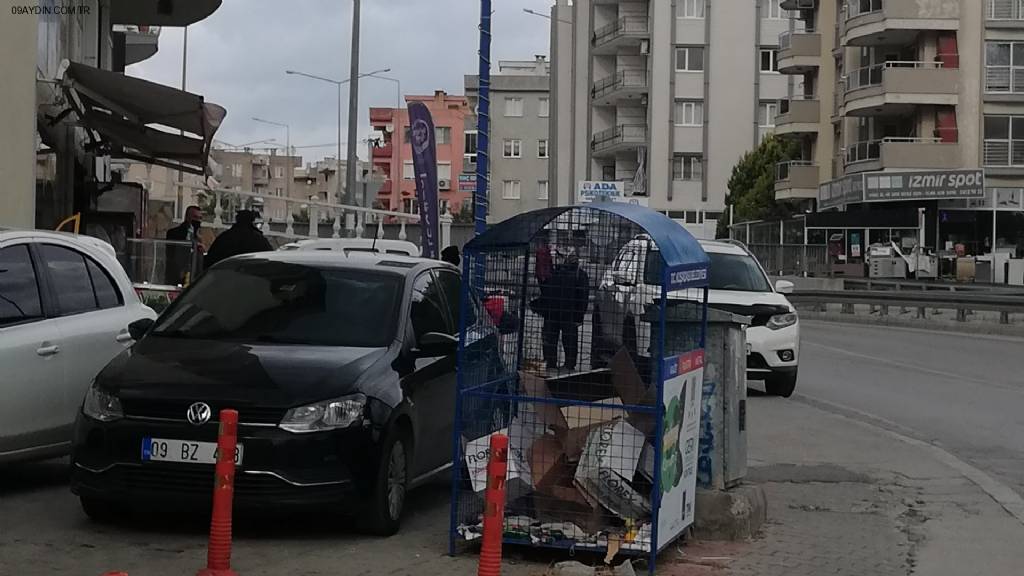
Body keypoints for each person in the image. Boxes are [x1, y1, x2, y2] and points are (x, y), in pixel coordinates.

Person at [539, 247, 590, 371]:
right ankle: (559, 364)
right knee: (561, 339)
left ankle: (559, 363)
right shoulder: (559, 272)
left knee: (561, 339)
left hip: (560, 312)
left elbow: (583, 297)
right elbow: (583, 297)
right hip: (561, 312)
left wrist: (579, 316)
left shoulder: (576, 274)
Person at [204, 210, 274, 269]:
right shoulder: (259, 239)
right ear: (252, 221)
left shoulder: (225, 237)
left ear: (237, 219)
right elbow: (270, 259)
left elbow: (210, 260)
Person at [165, 205, 204, 285]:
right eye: (195, 217)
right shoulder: (174, 233)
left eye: (200, 218)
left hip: (193, 274)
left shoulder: (199, 236)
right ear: (187, 217)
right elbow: (171, 254)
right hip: (177, 274)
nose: (198, 220)